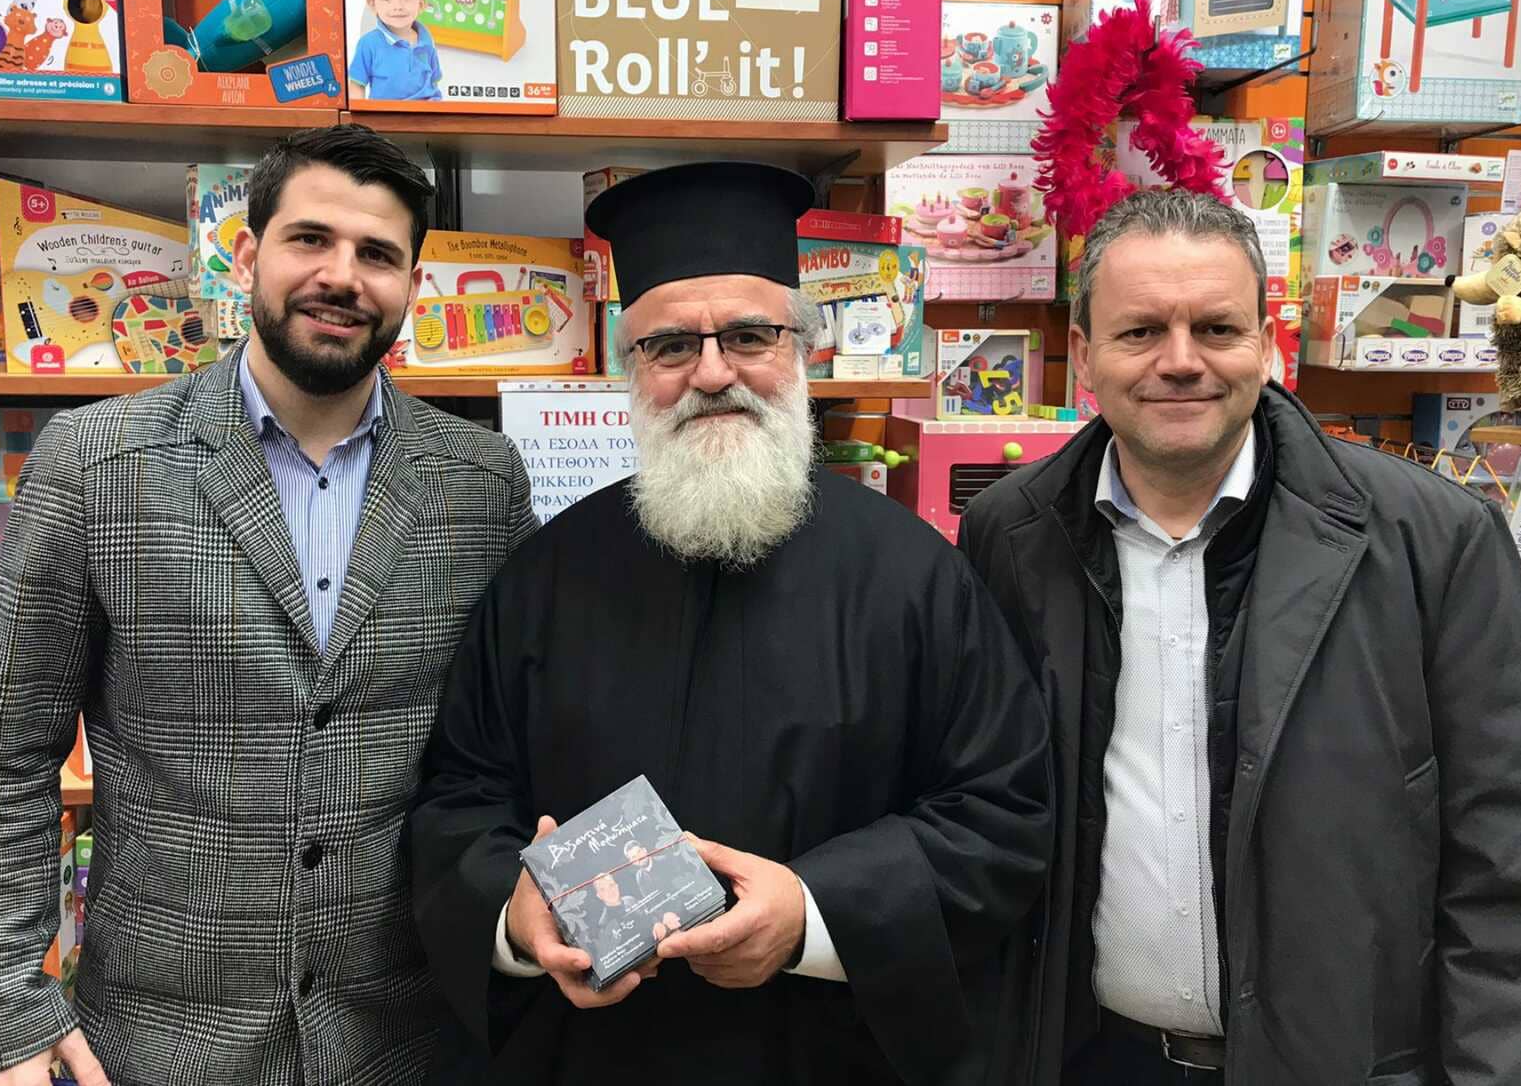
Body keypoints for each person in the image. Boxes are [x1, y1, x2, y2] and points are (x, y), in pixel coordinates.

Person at [410, 161, 1053, 1085]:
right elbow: (460, 796)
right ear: (631, 369)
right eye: (671, 346)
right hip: (592, 1056)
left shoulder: (915, 577)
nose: (712, 373)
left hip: (833, 1055)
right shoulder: (546, 574)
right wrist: (514, 913)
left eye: (749, 336)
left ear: (803, 352)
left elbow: (1000, 812)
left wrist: (813, 914)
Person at [0, 124, 537, 1085]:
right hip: (160, 1041)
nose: (341, 276)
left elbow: (508, 746)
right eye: (311, 239)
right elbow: (4, 759)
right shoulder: (96, 464)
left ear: (413, 286)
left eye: (377, 254)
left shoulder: (482, 482)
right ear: (249, 255)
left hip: (411, 1038)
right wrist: (4, 1017)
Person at [958, 188, 1521, 1085]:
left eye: (1217, 329)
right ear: (1084, 354)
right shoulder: (1010, 534)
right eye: (1142, 331)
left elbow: (1504, 861)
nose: (1181, 362)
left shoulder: (1433, 540)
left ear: (1267, 344)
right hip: (1093, 1059)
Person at [349, 0, 443, 103]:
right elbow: (357, 86)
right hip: (386, 114)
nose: (397, 6)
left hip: (426, 112)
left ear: (421, 3)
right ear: (372, 3)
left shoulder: (426, 40)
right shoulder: (368, 44)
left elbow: (434, 83)